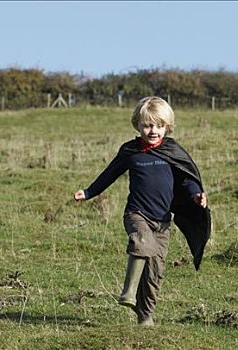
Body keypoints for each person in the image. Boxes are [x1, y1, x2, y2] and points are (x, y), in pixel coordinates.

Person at [74, 96, 211, 327]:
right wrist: (89, 192)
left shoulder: (172, 150)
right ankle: (127, 292)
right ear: (138, 125)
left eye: (159, 126)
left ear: (167, 127)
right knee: (142, 243)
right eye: (147, 125)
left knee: (154, 273)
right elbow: (109, 174)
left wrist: (196, 194)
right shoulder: (131, 151)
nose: (153, 131)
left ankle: (145, 316)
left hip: (163, 222)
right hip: (137, 214)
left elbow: (187, 179)